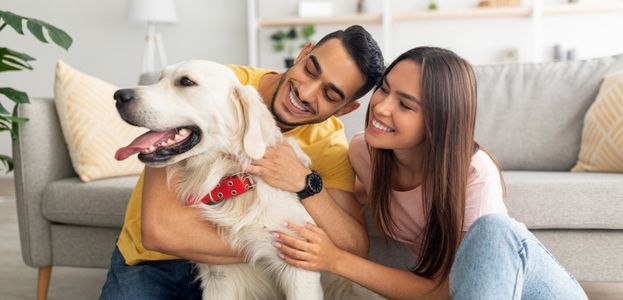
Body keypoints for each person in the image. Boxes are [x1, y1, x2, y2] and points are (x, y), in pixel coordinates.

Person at [272, 47, 588, 299]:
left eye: (405, 105)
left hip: (534, 289)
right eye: (384, 89)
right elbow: (343, 206)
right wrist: (301, 179)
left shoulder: (475, 175)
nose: (380, 108)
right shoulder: (365, 153)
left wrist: (335, 260)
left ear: (439, 120)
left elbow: (446, 288)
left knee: (493, 230)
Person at [99, 25, 385, 299]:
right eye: (310, 70)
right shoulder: (218, 82)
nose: (306, 93)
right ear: (303, 53)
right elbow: (159, 232)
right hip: (156, 263)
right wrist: (282, 244)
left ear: (346, 109)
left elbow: (352, 246)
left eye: (330, 94)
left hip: (246, 272)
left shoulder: (328, 141)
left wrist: (304, 182)